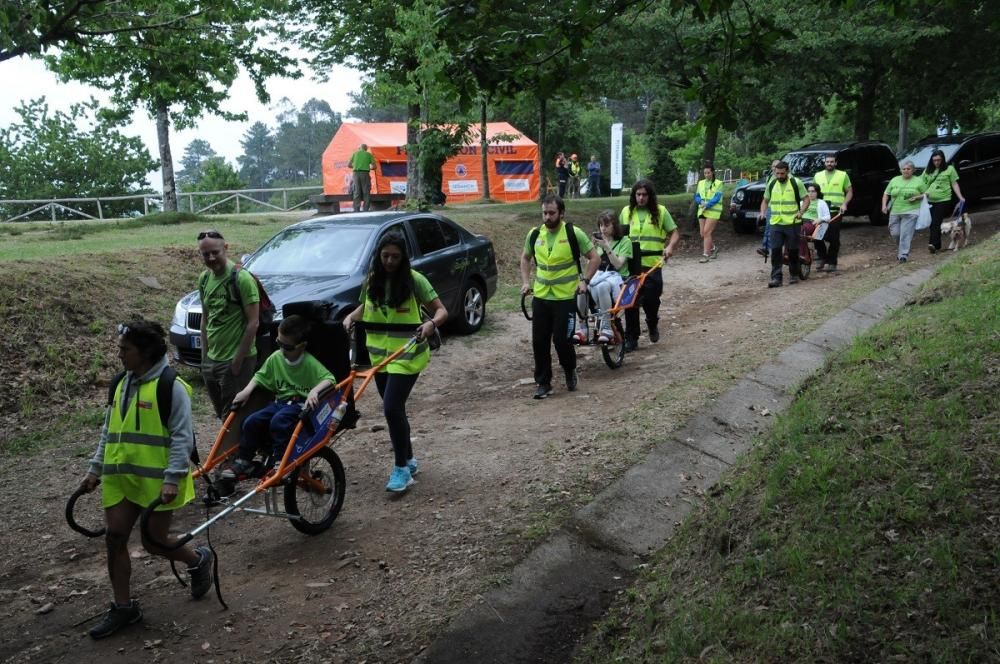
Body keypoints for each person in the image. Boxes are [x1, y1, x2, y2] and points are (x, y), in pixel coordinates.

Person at [79, 320, 213, 639]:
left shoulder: (171, 387)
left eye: (126, 349)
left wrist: (171, 479)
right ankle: (124, 607)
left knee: (154, 543)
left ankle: (196, 559)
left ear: (145, 352)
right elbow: (109, 430)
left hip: (156, 481)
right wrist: (95, 468)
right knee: (115, 537)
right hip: (120, 476)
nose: (119, 354)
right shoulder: (119, 384)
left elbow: (182, 438)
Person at [342, 233, 448, 491]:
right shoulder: (372, 280)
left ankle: (401, 469)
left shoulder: (414, 281)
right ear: (378, 256)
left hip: (407, 355)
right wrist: (351, 317)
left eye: (395, 257)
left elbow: (442, 311)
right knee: (395, 410)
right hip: (380, 358)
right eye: (385, 256)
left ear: (403, 258)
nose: (389, 261)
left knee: (391, 408)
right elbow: (365, 308)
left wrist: (430, 325)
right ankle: (410, 459)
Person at [225, 315, 336, 478]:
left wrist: (314, 391)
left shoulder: (309, 363)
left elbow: (330, 379)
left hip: (299, 405)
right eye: (279, 343)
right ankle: (244, 461)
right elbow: (259, 376)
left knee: (280, 421)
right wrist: (247, 391)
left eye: (287, 346)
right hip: (280, 403)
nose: (282, 349)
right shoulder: (276, 358)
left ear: (301, 346)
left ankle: (281, 461)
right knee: (251, 421)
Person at [520, 194, 600, 399]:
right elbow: (526, 258)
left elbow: (594, 258)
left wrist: (585, 280)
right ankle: (543, 383)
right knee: (539, 341)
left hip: (566, 298)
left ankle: (569, 369)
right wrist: (526, 282)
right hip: (541, 297)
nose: (547, 217)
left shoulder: (574, 233)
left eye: (551, 213)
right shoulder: (535, 234)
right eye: (544, 213)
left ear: (561, 213)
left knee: (562, 341)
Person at [197, 230, 260, 419]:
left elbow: (253, 323)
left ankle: (239, 449)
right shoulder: (204, 279)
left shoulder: (242, 279)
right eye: (205, 254)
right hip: (212, 360)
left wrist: (237, 362)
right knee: (221, 414)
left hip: (235, 360)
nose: (211, 257)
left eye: (215, 252)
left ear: (226, 248)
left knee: (234, 417)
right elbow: (205, 318)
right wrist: (204, 358)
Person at [619, 179, 679, 350]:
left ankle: (652, 322)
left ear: (650, 196)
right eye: (638, 194)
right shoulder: (625, 212)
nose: (641, 198)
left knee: (652, 299)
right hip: (631, 264)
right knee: (630, 301)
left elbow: (674, 232)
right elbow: (619, 237)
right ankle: (632, 337)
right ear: (634, 196)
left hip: (653, 264)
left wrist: (670, 246)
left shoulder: (661, 212)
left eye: (644, 195)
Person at [760, 161, 810, 288]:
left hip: (792, 223)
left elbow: (806, 199)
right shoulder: (771, 183)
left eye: (782, 173)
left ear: (787, 172)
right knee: (776, 250)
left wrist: (801, 211)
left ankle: (793, 274)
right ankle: (776, 278)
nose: (780, 176)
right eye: (777, 173)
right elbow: (765, 200)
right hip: (776, 223)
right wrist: (762, 212)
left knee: (793, 250)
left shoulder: (795, 183)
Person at [589, 210, 632, 344]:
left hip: (619, 279)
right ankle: (583, 328)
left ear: (614, 226)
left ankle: (607, 326)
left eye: (606, 225)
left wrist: (607, 248)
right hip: (601, 276)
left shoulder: (625, 241)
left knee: (602, 286)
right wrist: (591, 250)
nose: (603, 229)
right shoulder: (599, 244)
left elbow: (618, 265)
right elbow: (592, 267)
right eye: (601, 225)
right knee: (582, 287)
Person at [812, 154, 853, 272]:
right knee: (817, 236)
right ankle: (822, 257)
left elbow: (849, 191)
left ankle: (832, 262)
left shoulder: (842, 175)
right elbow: (813, 193)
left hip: (835, 211)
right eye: (827, 162)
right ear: (824, 163)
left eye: (832, 162)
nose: (829, 163)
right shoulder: (818, 175)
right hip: (820, 211)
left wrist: (844, 204)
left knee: (834, 238)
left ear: (835, 163)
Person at [881, 160, 927, 264]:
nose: (906, 171)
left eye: (908, 169)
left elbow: (926, 194)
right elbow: (886, 193)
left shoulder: (919, 181)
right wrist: (884, 205)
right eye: (904, 169)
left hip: (911, 211)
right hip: (895, 210)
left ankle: (903, 255)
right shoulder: (894, 180)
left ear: (913, 170)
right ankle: (902, 250)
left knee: (905, 234)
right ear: (901, 170)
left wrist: (916, 197)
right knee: (895, 233)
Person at [923, 149, 965, 253]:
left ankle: (933, 244)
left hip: (944, 199)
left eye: (939, 160)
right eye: (934, 160)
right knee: (932, 223)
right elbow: (921, 184)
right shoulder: (927, 170)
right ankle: (936, 245)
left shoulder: (949, 169)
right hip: (929, 200)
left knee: (936, 222)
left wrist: (960, 197)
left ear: (943, 159)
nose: (936, 162)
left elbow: (954, 184)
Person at [694, 164, 724, 263]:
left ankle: (705, 255)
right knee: (703, 234)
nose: (706, 175)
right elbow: (697, 196)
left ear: (713, 172)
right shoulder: (701, 183)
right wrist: (700, 202)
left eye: (708, 173)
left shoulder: (719, 183)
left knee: (707, 232)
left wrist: (708, 204)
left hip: (713, 211)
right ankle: (714, 248)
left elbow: (717, 197)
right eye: (705, 173)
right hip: (702, 210)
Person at [756, 159, 781, 258]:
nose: (775, 168)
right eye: (773, 166)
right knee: (768, 228)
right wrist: (763, 211)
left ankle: (774, 248)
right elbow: (766, 197)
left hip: (782, 208)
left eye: (777, 166)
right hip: (771, 206)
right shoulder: (770, 178)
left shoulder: (787, 179)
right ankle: (765, 248)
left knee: (777, 230)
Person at [350, 143, 375, 212]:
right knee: (366, 191)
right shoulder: (369, 155)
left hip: (356, 174)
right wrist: (368, 167)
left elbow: (349, 165)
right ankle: (365, 209)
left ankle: (356, 209)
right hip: (365, 173)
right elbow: (374, 166)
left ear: (359, 148)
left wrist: (356, 167)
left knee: (356, 191)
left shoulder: (355, 154)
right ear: (366, 148)